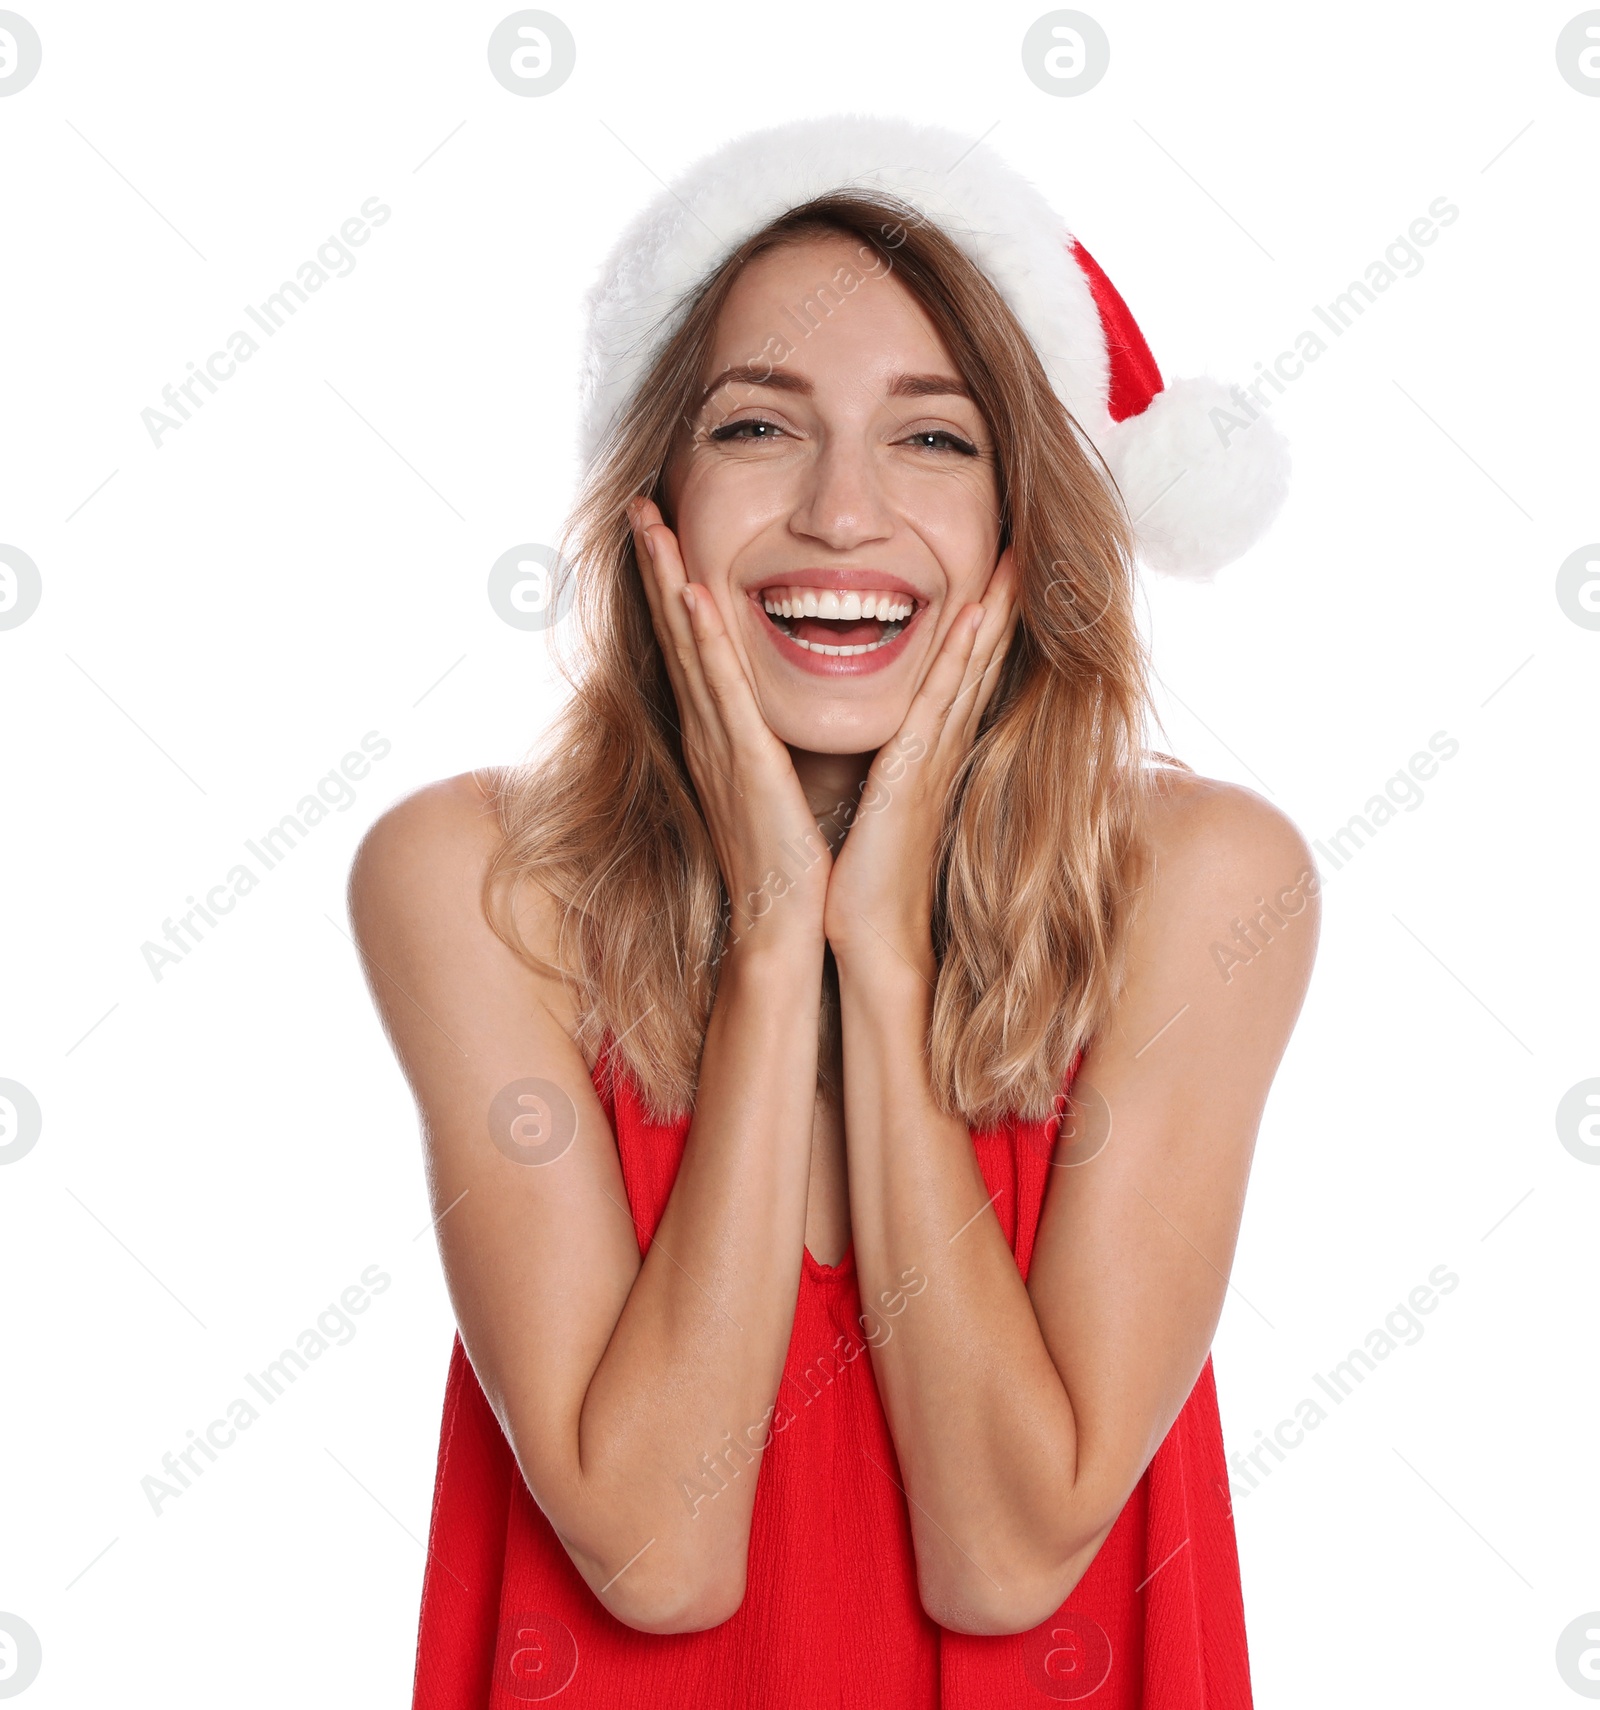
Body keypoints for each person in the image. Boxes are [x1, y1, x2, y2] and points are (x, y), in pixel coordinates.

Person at [349, 114, 1316, 1708]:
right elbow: (658, 1554)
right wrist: (772, 936)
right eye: (756, 429)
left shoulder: (1203, 887)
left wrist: (879, 956)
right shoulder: (473, 883)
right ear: (653, 497)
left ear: (1027, 523)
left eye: (933, 438)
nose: (842, 514)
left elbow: (1005, 1560)